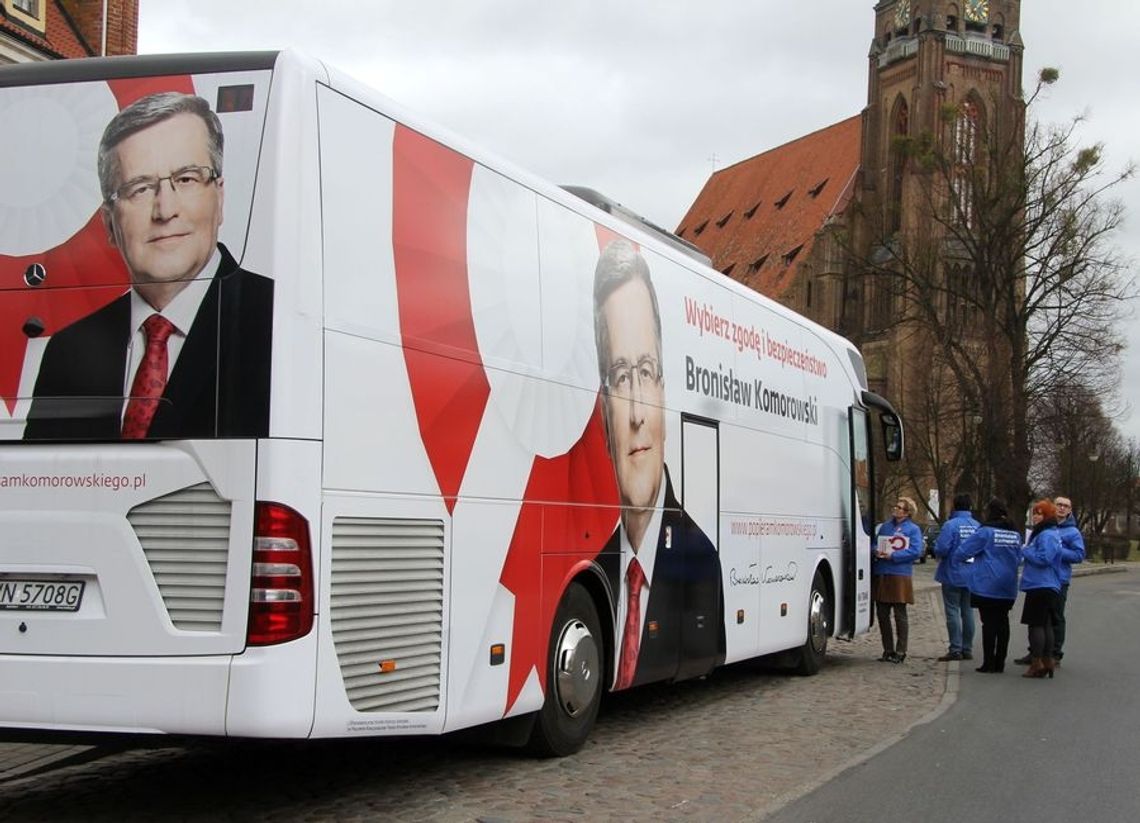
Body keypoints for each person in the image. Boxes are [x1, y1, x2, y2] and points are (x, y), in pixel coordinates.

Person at [24, 91, 273, 441]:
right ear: (109, 223)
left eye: (186, 179)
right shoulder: (68, 348)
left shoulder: (275, 321)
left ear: (219, 198)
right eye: (139, 189)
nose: (165, 209)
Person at [592, 238, 725, 689]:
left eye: (645, 374)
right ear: (603, 401)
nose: (635, 415)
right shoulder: (596, 562)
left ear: (664, 391)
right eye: (620, 376)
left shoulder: (703, 562)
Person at [1013, 494, 1085, 666]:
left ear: (1070, 511)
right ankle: (1036, 652)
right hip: (1042, 578)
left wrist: (1057, 551)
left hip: (1059, 579)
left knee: (1055, 617)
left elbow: (1079, 554)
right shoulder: (1044, 529)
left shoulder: (1072, 532)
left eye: (1065, 506)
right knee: (1040, 620)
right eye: (1059, 504)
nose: (1061, 508)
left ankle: (1054, 654)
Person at [955, 498, 1021, 673]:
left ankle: (988, 662)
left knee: (989, 624)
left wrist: (964, 565)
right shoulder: (1014, 533)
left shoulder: (986, 532)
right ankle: (1000, 662)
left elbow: (963, 551)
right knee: (1003, 622)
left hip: (987, 584)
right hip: (1008, 585)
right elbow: (1019, 557)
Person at [872, 496, 923, 663]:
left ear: (907, 512)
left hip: (900, 574)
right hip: (882, 573)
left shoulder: (913, 529)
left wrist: (894, 556)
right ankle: (888, 649)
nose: (896, 509)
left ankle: (901, 650)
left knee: (900, 614)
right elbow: (874, 543)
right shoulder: (885, 526)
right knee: (882, 614)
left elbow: (916, 551)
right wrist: (876, 551)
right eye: (895, 506)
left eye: (900, 507)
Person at [1019, 499, 1064, 679]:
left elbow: (1043, 558)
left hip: (1040, 584)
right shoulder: (1049, 533)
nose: (1036, 517)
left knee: (1036, 625)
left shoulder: (1046, 535)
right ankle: (1047, 661)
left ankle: (1038, 662)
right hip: (1047, 584)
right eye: (1035, 513)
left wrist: (1025, 550)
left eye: (1040, 514)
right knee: (1046, 625)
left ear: (1047, 516)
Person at [933, 493, 979, 661]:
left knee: (952, 611)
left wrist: (938, 552)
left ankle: (955, 648)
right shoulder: (977, 526)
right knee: (968, 612)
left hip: (952, 573)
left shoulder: (950, 525)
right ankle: (967, 648)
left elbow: (942, 548)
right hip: (972, 574)